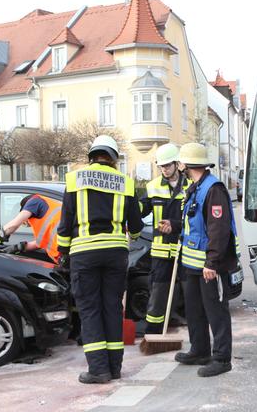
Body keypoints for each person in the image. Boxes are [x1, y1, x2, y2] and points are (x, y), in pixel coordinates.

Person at [56, 135, 143, 384]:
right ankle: (114, 368)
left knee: (90, 310)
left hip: (84, 254)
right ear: (114, 158)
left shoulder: (74, 180)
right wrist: (131, 234)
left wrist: (63, 252)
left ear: (92, 156)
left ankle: (98, 370)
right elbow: (135, 226)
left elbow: (66, 222)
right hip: (115, 255)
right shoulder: (125, 182)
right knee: (112, 308)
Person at [175, 142, 240, 378]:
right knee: (195, 310)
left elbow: (219, 229)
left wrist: (211, 262)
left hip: (209, 266)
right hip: (193, 264)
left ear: (186, 164)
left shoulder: (213, 189)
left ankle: (221, 358)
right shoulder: (195, 187)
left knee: (216, 311)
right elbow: (195, 224)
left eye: (180, 161)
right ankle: (200, 350)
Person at [139, 143, 188, 334]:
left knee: (188, 292)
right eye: (161, 166)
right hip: (160, 252)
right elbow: (142, 210)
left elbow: (196, 219)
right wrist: (129, 215)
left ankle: (195, 331)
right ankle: (154, 331)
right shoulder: (152, 187)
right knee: (158, 291)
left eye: (168, 165)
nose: (164, 169)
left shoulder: (190, 186)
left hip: (184, 249)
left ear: (177, 164)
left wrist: (175, 225)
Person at [0, 194, 63, 263]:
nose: (27, 223)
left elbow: (13, 225)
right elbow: (39, 243)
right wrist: (18, 247)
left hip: (68, 255)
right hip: (66, 257)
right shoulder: (47, 215)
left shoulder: (34, 201)